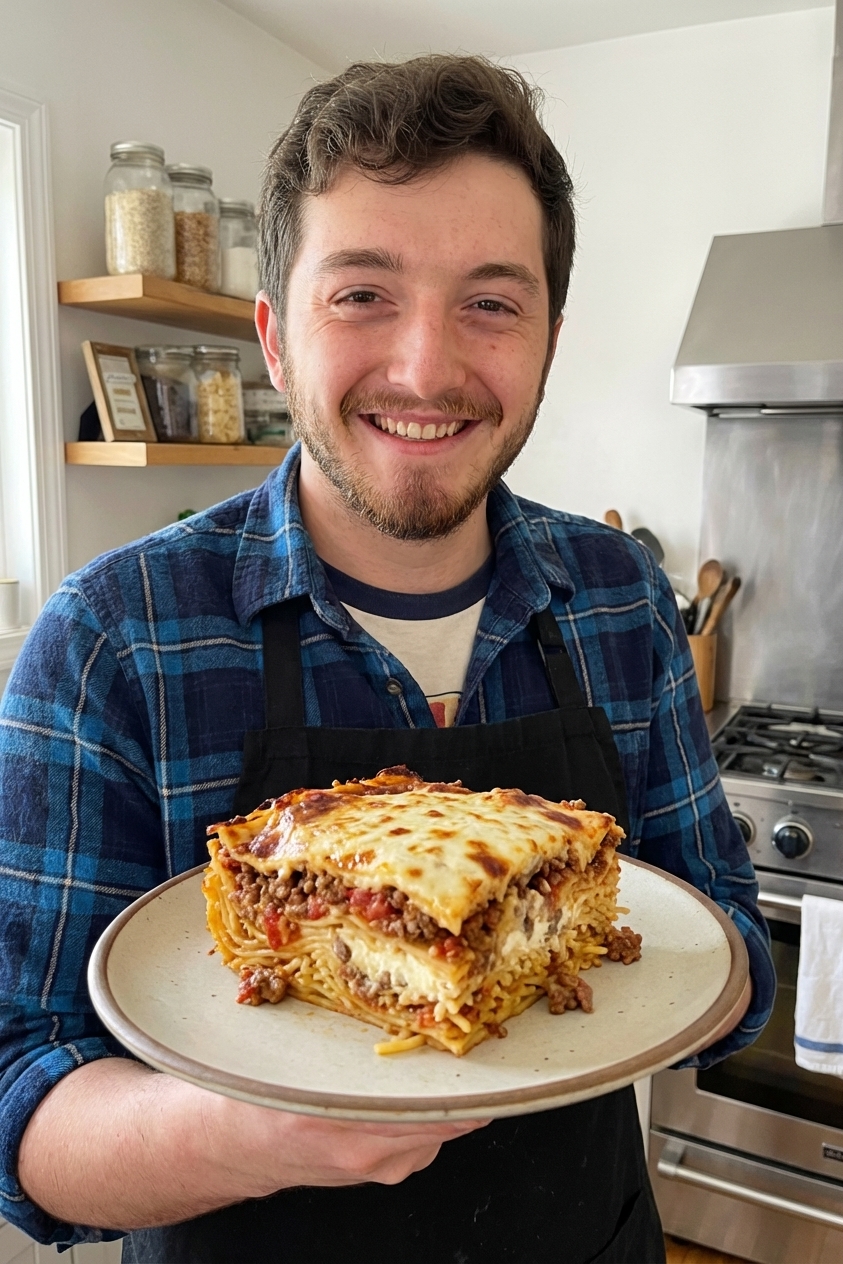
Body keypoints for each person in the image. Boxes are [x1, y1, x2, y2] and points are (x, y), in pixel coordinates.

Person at [0, 55, 773, 1264]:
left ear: (550, 339)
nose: (425, 368)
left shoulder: (622, 599)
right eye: (363, 293)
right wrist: (254, 1131)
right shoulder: (114, 636)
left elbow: (725, 937)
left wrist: (659, 988)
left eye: (492, 301)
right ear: (274, 335)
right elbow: (22, 1106)